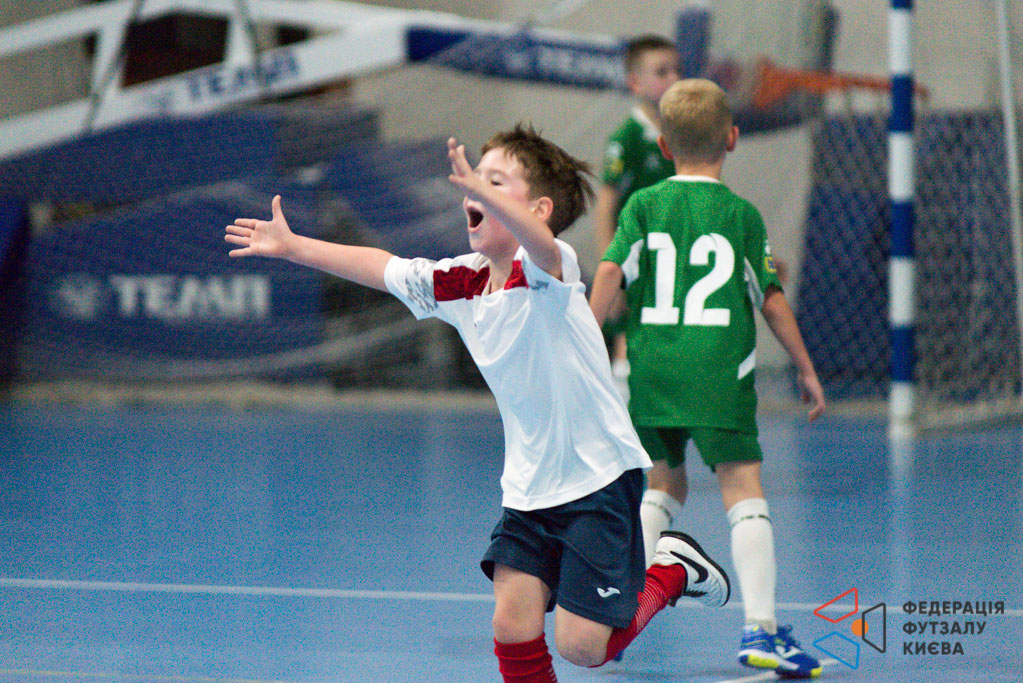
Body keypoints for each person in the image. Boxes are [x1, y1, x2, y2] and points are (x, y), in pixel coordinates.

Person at [225, 123, 730, 682]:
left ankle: (671, 571)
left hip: (597, 480)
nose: (474, 189)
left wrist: (482, 190)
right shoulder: (459, 283)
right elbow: (381, 266)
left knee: (584, 647)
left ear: (537, 209)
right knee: (511, 625)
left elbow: (541, 243)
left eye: (495, 181)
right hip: (529, 486)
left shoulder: (548, 271)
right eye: (474, 180)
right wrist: (295, 247)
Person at [589, 80, 827, 680]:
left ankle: (621, 611)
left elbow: (610, 271)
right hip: (718, 375)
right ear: (733, 139)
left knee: (662, 484)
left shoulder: (643, 206)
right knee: (743, 488)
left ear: (664, 146)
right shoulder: (740, 215)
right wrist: (804, 366)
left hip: (652, 374)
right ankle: (761, 629)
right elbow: (771, 300)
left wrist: (586, 343)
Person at [593, 34, 681, 401]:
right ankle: (621, 411)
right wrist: (610, 267)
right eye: (662, 72)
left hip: (675, 255)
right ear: (636, 83)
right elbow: (605, 206)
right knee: (628, 336)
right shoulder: (626, 139)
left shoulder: (682, 136)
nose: (673, 79)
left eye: (676, 70)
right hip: (637, 257)